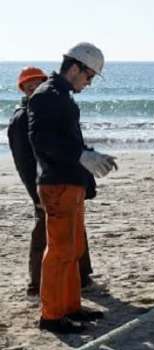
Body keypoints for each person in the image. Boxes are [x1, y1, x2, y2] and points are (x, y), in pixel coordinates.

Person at [28, 43, 118, 334]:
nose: (89, 82)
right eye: (89, 76)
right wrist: (81, 156)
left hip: (69, 181)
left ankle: (70, 306)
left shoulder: (61, 95)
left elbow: (67, 141)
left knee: (72, 249)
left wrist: (91, 154)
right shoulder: (48, 95)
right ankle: (52, 315)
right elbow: (41, 139)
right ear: (75, 67)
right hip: (58, 183)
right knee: (60, 251)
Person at [8, 67, 96, 297]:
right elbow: (24, 162)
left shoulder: (53, 106)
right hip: (45, 185)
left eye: (38, 82)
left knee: (74, 231)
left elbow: (72, 143)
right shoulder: (21, 118)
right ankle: (37, 283)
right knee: (43, 235)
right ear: (24, 90)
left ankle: (81, 276)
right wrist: (35, 195)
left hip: (65, 181)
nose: (34, 87)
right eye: (30, 85)